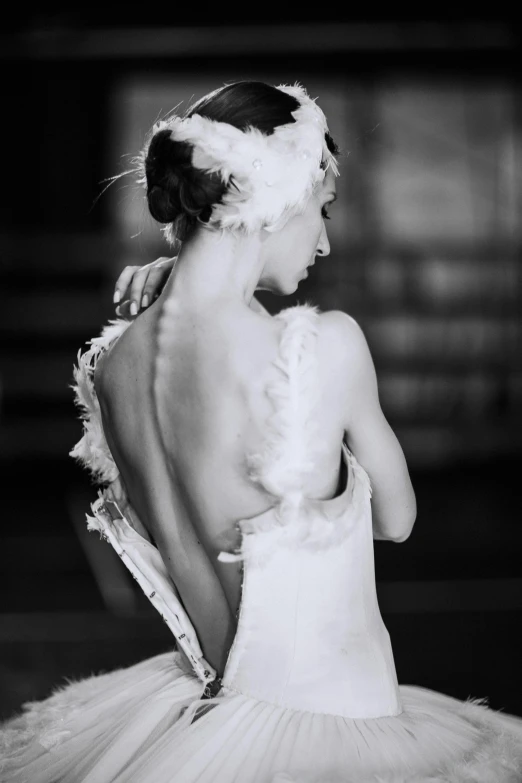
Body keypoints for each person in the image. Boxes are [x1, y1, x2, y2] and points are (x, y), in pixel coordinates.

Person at [1, 80, 521, 783]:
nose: (327, 241)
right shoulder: (319, 348)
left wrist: (191, 285)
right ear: (273, 200)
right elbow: (396, 519)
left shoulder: (114, 366)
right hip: (335, 732)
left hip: (194, 728)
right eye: (322, 209)